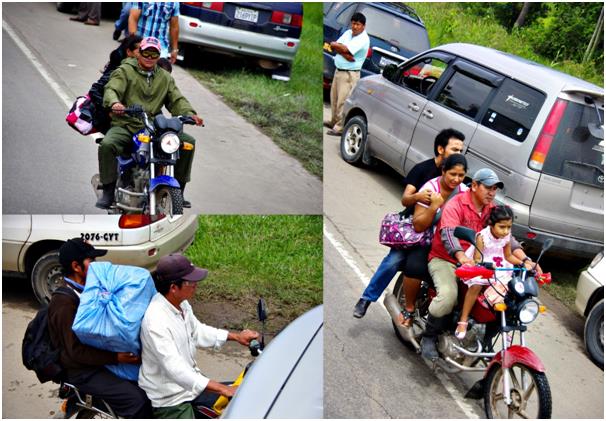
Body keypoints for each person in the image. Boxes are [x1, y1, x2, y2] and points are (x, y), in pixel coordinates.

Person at [420, 168, 538, 359]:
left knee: (503, 302)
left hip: (481, 265)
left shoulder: (492, 210)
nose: (492, 193)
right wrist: (461, 257)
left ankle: (483, 343)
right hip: (447, 259)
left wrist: (526, 260)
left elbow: (509, 239)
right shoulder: (456, 204)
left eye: (495, 189)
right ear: (474, 185)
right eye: (488, 188)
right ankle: (429, 336)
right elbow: (448, 232)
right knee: (449, 297)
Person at [353, 129, 465, 318]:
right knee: (393, 262)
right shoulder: (422, 170)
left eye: (461, 150)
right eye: (455, 149)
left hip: (439, 236)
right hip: (415, 231)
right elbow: (405, 199)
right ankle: (367, 298)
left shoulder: (458, 180)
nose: (459, 154)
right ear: (440, 149)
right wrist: (419, 197)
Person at [138, 254, 260, 418]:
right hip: (172, 398)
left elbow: (198, 331)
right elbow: (176, 370)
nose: (196, 285)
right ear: (174, 287)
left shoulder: (181, 304)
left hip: (191, 385)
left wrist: (236, 337)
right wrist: (223, 389)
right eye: (190, 282)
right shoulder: (156, 321)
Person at [47, 238, 152, 418]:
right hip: (83, 370)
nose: (96, 266)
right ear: (76, 266)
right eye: (91, 261)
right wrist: (116, 357)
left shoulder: (92, 288)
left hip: (103, 359)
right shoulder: (64, 303)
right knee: (137, 400)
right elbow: (75, 352)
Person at [97, 36, 203, 209]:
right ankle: (108, 191)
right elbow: (111, 89)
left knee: (187, 142)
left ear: (158, 56)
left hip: (153, 126)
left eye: (154, 53)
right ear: (139, 53)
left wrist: (190, 114)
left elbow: (176, 99)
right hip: (126, 123)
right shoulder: (125, 71)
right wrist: (115, 103)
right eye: (146, 52)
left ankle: (179, 191)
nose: (149, 56)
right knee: (108, 144)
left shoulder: (165, 78)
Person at [397, 154, 469, 328]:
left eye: (461, 175)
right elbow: (418, 225)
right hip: (426, 239)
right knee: (414, 267)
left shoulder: (464, 192)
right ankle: (409, 307)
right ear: (443, 171)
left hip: (450, 242)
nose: (456, 179)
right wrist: (434, 206)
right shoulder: (430, 188)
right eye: (452, 174)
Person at [455, 205, 534, 339]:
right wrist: (485, 265)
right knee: (476, 285)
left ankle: (501, 324)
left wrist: (522, 263)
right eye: (502, 227)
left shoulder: (506, 237)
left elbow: (508, 256)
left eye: (509, 227)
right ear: (491, 224)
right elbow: (477, 258)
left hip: (499, 265)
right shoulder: (482, 237)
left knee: (511, 289)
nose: (505, 231)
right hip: (483, 264)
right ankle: (463, 319)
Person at [324, 12, 370, 136]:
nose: (355, 27)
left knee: (343, 102)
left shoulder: (363, 39)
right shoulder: (348, 33)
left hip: (349, 74)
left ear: (363, 26)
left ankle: (340, 127)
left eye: (358, 24)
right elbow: (335, 46)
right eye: (353, 23)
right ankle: (333, 121)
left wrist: (341, 49)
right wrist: (343, 52)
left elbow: (345, 49)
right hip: (339, 70)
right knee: (334, 98)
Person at [88, 34, 142, 134]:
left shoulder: (143, 72)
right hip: (112, 122)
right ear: (129, 52)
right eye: (140, 51)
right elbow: (94, 91)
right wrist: (111, 108)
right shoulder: (117, 71)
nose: (144, 54)